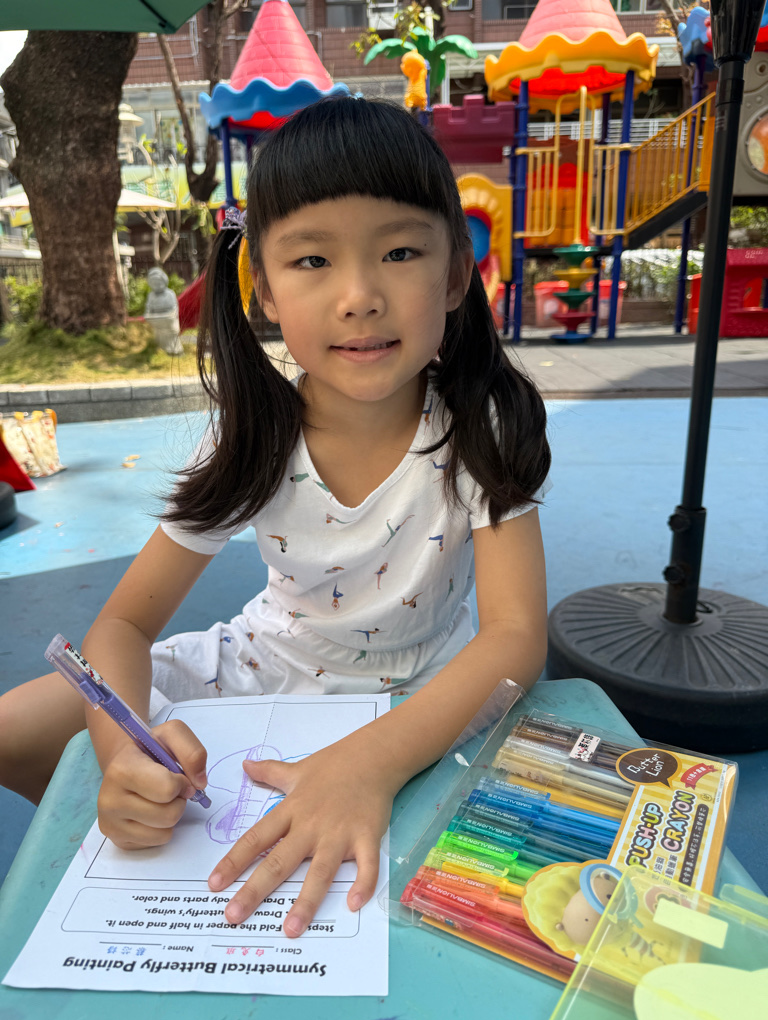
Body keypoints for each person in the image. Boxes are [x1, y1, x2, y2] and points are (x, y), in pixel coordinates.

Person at [0, 97, 550, 938]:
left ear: (453, 274)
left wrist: (371, 764)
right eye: (313, 260)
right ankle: (138, 838)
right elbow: (121, 627)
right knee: (13, 728)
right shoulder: (253, 435)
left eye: (400, 251)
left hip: (420, 692)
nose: (359, 296)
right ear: (263, 287)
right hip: (262, 668)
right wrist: (123, 755)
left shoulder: (482, 423)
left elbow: (515, 637)